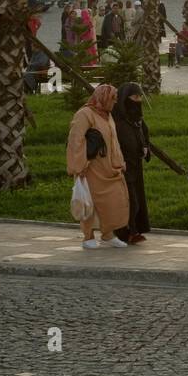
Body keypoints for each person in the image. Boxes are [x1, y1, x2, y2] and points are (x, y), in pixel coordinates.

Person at [65, 84, 131, 250]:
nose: (114, 103)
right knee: (90, 204)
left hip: (110, 169)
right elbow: (75, 141)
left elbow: (113, 142)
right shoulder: (84, 114)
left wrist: (120, 162)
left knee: (113, 201)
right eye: (112, 99)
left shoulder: (107, 115)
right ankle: (88, 236)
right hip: (90, 169)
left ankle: (108, 235)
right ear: (103, 98)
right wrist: (79, 166)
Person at [110, 82, 151, 245]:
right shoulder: (115, 120)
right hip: (122, 166)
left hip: (136, 165)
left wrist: (146, 147)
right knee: (129, 200)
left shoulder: (137, 119)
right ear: (124, 99)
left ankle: (133, 230)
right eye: (134, 97)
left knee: (137, 199)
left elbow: (145, 135)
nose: (138, 100)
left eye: (140, 97)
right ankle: (124, 232)